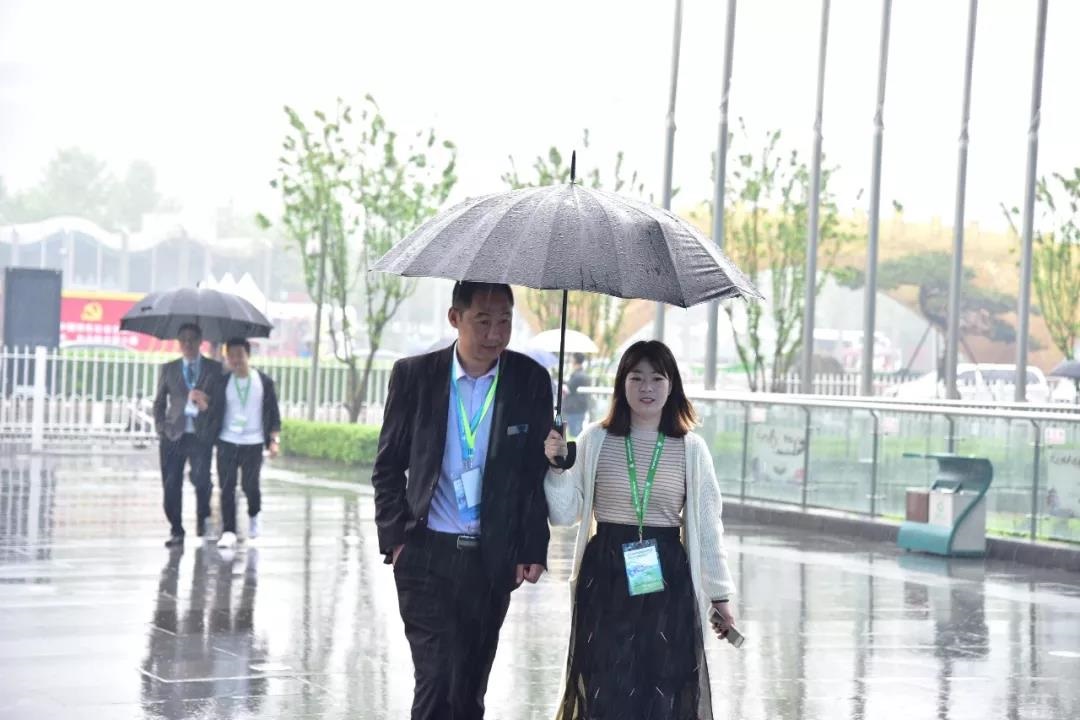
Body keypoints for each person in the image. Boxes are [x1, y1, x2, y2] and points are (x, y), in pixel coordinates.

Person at [372, 281, 554, 720]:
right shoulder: (415, 376)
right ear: (455, 318)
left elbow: (533, 476)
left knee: (470, 687)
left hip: (491, 558)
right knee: (435, 681)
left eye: (505, 321)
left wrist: (532, 545)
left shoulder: (530, 380)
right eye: (483, 321)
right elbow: (389, 465)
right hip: (426, 553)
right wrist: (396, 539)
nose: (495, 333)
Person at [543, 340, 736, 720]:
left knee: (661, 682)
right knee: (607, 681)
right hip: (606, 571)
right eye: (636, 378)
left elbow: (708, 525)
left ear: (672, 385)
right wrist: (557, 468)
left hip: (666, 575)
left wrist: (720, 595)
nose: (647, 387)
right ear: (622, 384)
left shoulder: (691, 448)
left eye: (657, 378)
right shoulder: (595, 439)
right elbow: (564, 514)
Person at [153, 323, 224, 548]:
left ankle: (203, 519)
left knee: (202, 480)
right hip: (173, 435)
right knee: (171, 484)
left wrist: (207, 402)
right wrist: (161, 428)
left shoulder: (214, 369)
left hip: (200, 436)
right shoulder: (169, 368)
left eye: (192, 339)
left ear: (200, 341)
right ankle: (176, 530)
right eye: (183, 339)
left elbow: (221, 403)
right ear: (178, 342)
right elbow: (159, 402)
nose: (188, 343)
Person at [213, 337, 282, 550]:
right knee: (227, 486)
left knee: (250, 485)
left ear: (248, 355)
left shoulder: (263, 382)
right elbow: (213, 409)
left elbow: (273, 413)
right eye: (231, 356)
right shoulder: (222, 382)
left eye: (239, 355)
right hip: (227, 440)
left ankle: (254, 516)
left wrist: (274, 441)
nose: (235, 360)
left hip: (253, 442)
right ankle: (229, 531)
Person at [563, 352, 590, 438]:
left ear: (574, 360)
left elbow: (568, 389)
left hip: (574, 409)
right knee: (576, 434)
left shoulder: (577, 376)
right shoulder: (583, 374)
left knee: (575, 435)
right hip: (579, 408)